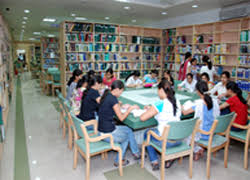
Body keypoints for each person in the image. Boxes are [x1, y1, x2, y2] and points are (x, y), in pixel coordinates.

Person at [140, 79, 182, 170]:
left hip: (166, 141)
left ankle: (154, 161)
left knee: (147, 133)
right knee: (153, 133)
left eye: (158, 91)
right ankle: (170, 157)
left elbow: (142, 118)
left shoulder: (160, 103)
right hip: (178, 138)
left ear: (161, 90)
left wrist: (151, 109)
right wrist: (152, 108)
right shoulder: (177, 101)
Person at [98, 80, 140, 166]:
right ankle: (119, 160)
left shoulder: (107, 95)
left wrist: (120, 106)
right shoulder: (113, 99)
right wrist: (130, 109)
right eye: (121, 91)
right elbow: (121, 118)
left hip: (101, 130)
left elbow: (110, 107)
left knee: (128, 130)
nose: (121, 93)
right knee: (126, 136)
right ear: (117, 89)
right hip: (108, 133)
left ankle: (136, 152)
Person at [182, 81, 220, 160]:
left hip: (202, 134)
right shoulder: (215, 101)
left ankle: (196, 150)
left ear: (198, 91)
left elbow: (184, 112)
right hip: (213, 132)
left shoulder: (199, 103)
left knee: (183, 135)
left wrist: (182, 106)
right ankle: (198, 149)